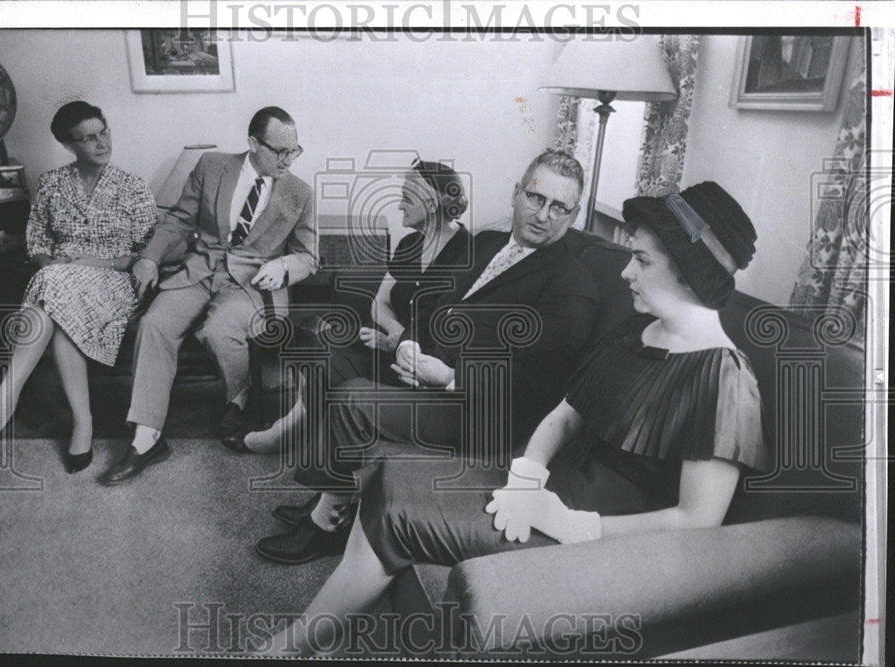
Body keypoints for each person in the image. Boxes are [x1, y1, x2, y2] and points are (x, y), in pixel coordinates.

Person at [259, 181, 772, 656]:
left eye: (640, 260)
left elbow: (698, 521)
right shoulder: (639, 331)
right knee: (392, 480)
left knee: (399, 512)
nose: (625, 272)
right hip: (547, 489)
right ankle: (308, 636)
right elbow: (567, 414)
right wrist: (529, 473)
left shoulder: (724, 376)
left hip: (600, 529)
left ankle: (292, 645)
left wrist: (577, 526)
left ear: (688, 270)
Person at [255, 150, 599, 564]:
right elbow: (437, 307)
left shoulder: (571, 285)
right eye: (536, 198)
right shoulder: (489, 243)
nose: (543, 214)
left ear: (574, 214)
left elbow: (534, 381)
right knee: (330, 359)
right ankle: (333, 492)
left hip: (477, 408)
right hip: (427, 366)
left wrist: (449, 377)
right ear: (516, 194)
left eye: (559, 207)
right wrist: (407, 346)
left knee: (352, 400)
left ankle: (325, 522)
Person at [100, 106, 317, 485]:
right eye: (279, 151)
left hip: (253, 282)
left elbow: (309, 256)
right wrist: (150, 257)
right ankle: (146, 437)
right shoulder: (212, 166)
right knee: (154, 324)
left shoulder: (299, 193)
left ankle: (239, 399)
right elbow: (180, 220)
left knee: (217, 332)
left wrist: (283, 267)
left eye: (294, 151)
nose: (288, 159)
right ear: (253, 144)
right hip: (199, 270)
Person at [0, 101, 159, 477]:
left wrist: (90, 264)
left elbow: (143, 255)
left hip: (112, 282)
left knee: (53, 289)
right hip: (59, 282)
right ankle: (83, 423)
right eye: (87, 138)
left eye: (103, 132)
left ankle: (6, 397)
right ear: (68, 144)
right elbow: (37, 244)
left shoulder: (133, 188)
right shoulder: (51, 184)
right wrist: (52, 264)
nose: (100, 142)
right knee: (56, 289)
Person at [240, 158, 470, 453]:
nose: (400, 206)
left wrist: (397, 343)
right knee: (324, 349)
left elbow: (445, 334)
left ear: (432, 202)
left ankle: (290, 431)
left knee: (334, 361)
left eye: (406, 198)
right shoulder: (410, 245)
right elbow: (379, 302)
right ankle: (294, 428)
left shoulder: (466, 256)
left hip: (421, 372)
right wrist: (395, 334)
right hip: (393, 349)